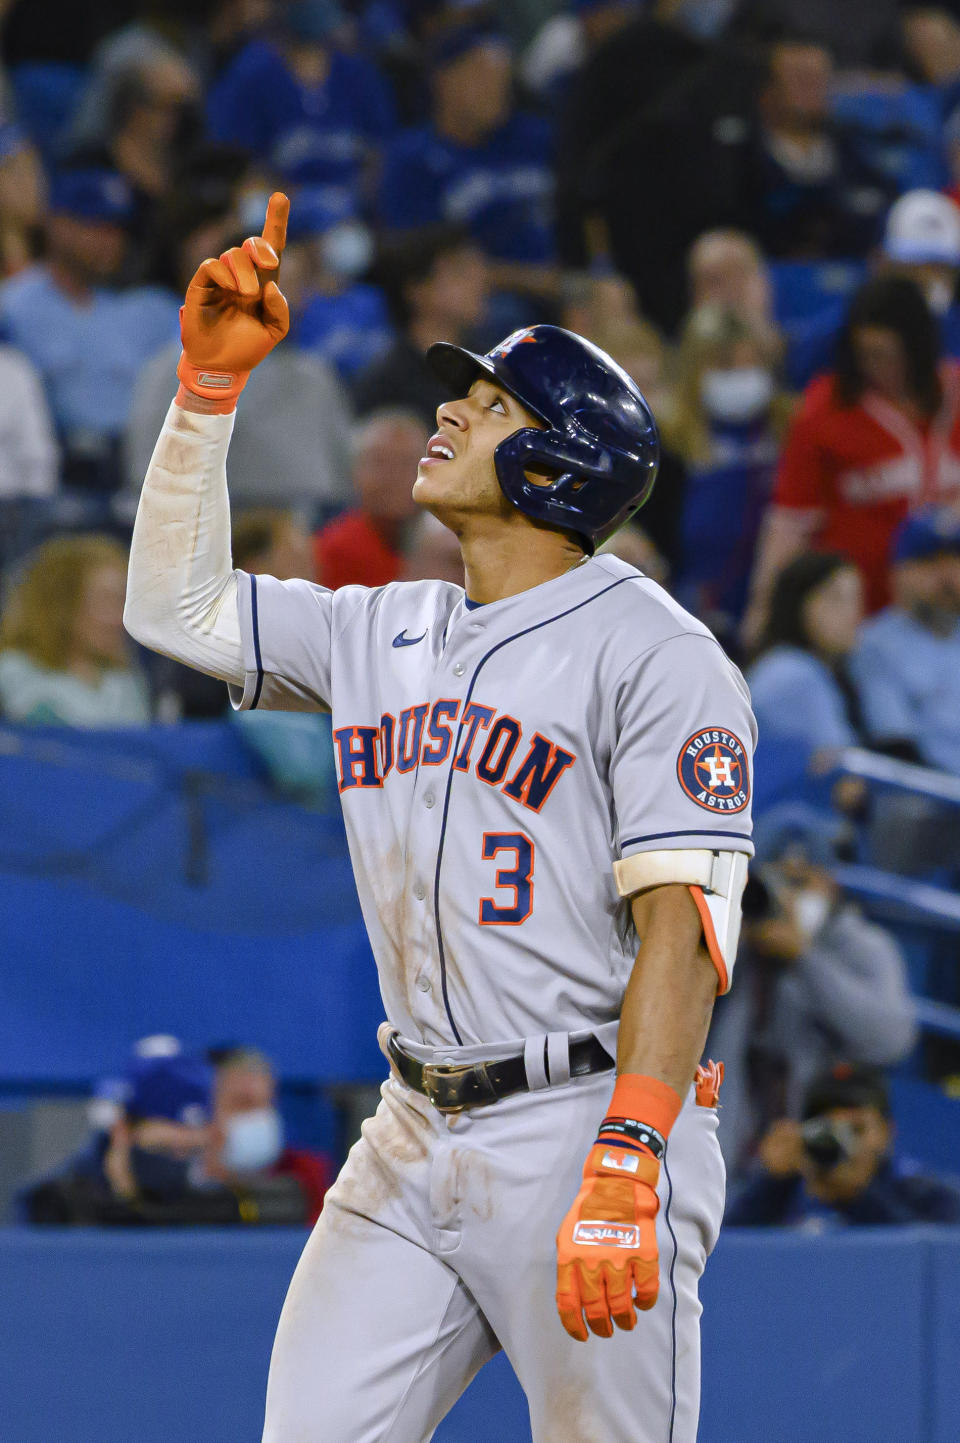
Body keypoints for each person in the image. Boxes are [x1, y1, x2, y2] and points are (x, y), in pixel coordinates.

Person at [124, 192, 757, 1442]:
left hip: (585, 1121)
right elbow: (174, 612)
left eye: (491, 405)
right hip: (410, 1126)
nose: (451, 411)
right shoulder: (385, 625)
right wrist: (205, 397)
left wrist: (632, 1155)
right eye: (459, 394)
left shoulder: (658, 654)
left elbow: (682, 930)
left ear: (558, 460)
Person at [744, 275, 960, 640]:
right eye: (867, 355)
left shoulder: (953, 395)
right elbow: (789, 524)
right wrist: (763, 610)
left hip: (948, 616)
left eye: (890, 355)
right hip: (860, 620)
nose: (878, 368)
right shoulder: (826, 410)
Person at [708, 816, 916, 1176]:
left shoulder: (863, 946)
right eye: (777, 881)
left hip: (823, 1165)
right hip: (728, 1160)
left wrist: (804, 958)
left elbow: (891, 1041)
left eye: (801, 882)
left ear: (832, 884)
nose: (788, 895)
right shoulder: (734, 948)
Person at [0, 169, 180, 493]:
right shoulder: (14, 305)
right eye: (96, 227)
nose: (109, 242)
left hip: (136, 471)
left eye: (116, 230)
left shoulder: (147, 310)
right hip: (55, 471)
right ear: (58, 225)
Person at [378, 22, 558, 308]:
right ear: (444, 81)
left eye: (502, 80)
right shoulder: (413, 158)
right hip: (480, 304)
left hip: (558, 291)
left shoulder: (535, 138)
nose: (496, 91)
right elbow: (416, 261)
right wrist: (531, 280)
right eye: (483, 78)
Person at [668, 304, 793, 637]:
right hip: (693, 607)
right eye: (726, 364)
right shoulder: (670, 441)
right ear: (695, 370)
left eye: (751, 362)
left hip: (772, 600)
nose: (742, 373)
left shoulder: (789, 428)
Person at [20, 1050, 239, 1225]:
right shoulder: (56, 1204)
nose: (181, 1160)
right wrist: (123, 1192)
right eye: (166, 1147)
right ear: (123, 1132)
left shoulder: (217, 1203)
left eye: (194, 1149)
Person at [726, 1063, 960, 1226]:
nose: (844, 1141)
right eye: (829, 1129)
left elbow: (937, 1261)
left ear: (887, 1131)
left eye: (856, 1129)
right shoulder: (785, 1187)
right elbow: (720, 1255)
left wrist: (855, 1197)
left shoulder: (923, 1193)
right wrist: (772, 1184)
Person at [206, 0, 394, 201]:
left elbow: (383, 153)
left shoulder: (359, 75)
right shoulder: (253, 76)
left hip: (354, 211)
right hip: (276, 208)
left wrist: (350, 198)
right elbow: (237, 161)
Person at [786, 189, 960, 391]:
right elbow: (799, 377)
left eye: (939, 267)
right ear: (882, 264)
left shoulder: (953, 325)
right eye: (912, 266)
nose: (926, 278)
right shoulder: (843, 329)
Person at [229, 507, 336, 807]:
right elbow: (303, 771)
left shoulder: (327, 646)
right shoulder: (230, 652)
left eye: (312, 562)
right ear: (254, 571)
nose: (313, 574)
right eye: (296, 560)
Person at [0, 534, 151, 727]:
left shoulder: (123, 680)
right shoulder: (12, 673)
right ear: (61, 606)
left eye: (125, 601)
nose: (119, 619)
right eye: (107, 600)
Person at [852, 507, 960, 774]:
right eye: (930, 562)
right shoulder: (875, 644)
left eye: (954, 561)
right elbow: (896, 746)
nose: (947, 577)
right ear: (898, 572)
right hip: (931, 798)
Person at [351, 224, 488, 429]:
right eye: (460, 272)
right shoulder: (386, 387)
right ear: (418, 291)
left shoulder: (493, 369)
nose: (480, 281)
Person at [747, 553, 864, 777]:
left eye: (856, 599)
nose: (852, 613)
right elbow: (846, 779)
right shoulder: (793, 674)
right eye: (836, 599)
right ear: (798, 603)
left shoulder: (801, 668)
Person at [207, 1045, 334, 1225]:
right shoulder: (176, 1182)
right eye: (239, 1106)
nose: (247, 1121)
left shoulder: (308, 1175)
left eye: (253, 1108)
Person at [312, 407, 428, 588]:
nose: (394, 476)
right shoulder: (336, 552)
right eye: (379, 463)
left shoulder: (446, 544)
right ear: (354, 472)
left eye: (407, 463)